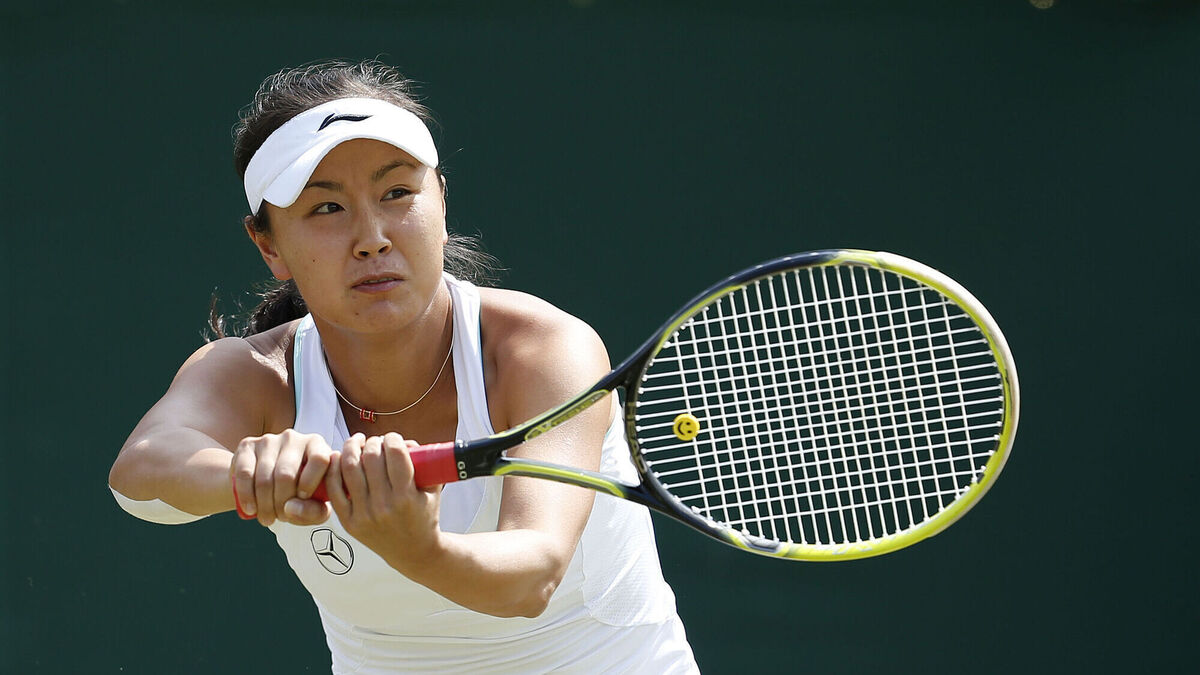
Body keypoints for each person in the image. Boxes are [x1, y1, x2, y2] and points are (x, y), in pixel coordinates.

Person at [108, 60, 699, 674]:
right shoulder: (258, 374)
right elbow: (140, 472)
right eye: (326, 208)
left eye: (397, 194)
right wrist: (251, 472)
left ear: (441, 200)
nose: (372, 237)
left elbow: (532, 578)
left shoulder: (542, 349)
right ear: (269, 245)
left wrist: (420, 549)